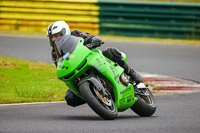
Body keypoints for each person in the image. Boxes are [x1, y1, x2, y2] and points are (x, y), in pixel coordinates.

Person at [46, 20, 142, 107]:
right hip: (77, 70)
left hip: (93, 59)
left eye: (56, 35)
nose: (54, 39)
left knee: (111, 52)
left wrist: (93, 41)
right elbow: (60, 66)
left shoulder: (75, 34)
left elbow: (91, 37)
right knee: (70, 98)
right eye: (51, 37)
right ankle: (95, 96)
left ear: (64, 31)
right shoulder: (55, 53)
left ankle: (132, 73)